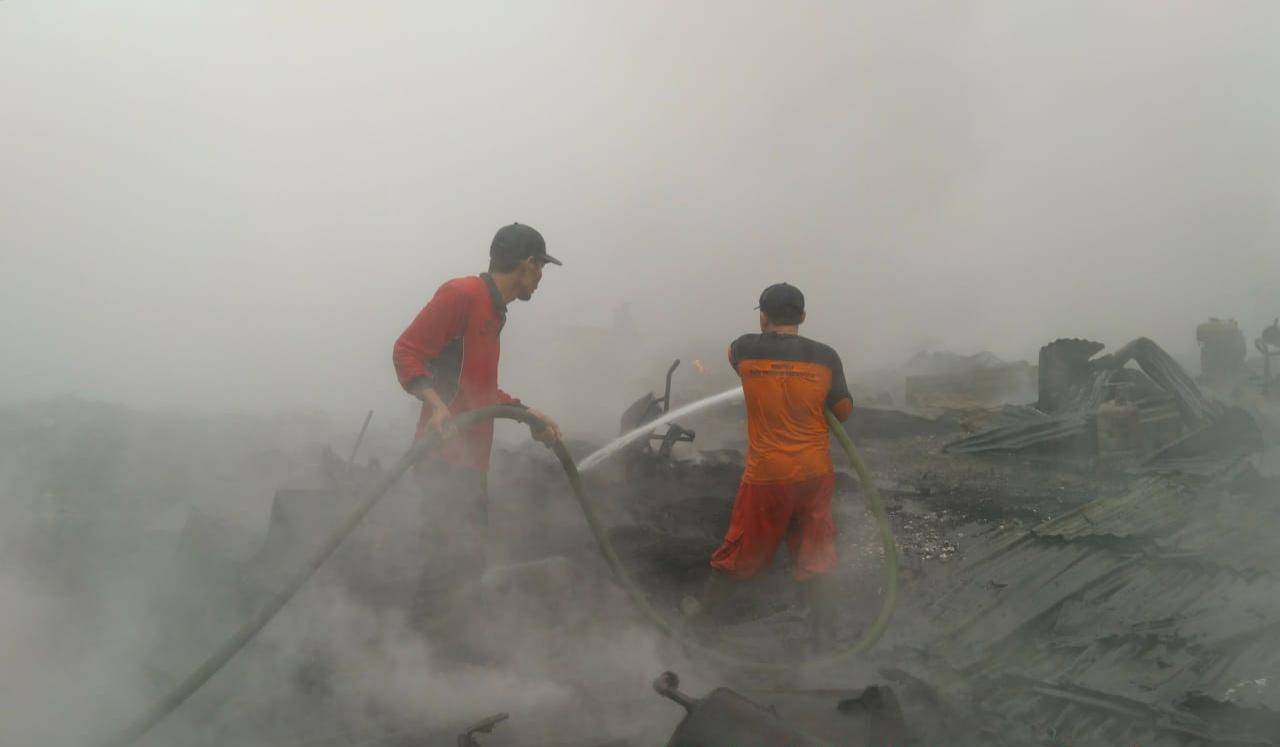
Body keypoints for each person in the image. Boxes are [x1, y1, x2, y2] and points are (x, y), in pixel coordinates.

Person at [392, 222, 563, 631]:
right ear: (527, 264)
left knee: (463, 559)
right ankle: (426, 649)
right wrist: (434, 404)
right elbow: (407, 350)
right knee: (450, 561)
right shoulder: (463, 294)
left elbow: (479, 389)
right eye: (541, 268)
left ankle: (437, 644)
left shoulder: (494, 310)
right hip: (441, 456)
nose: (541, 279)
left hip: (468, 461)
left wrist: (528, 415)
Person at [684, 282, 854, 651]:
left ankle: (702, 623)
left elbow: (733, 361)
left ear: (763, 316)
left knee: (740, 550)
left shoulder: (743, 349)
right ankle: (823, 636)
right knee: (815, 552)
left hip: (767, 477)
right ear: (803, 317)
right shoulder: (826, 356)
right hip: (814, 471)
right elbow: (842, 411)